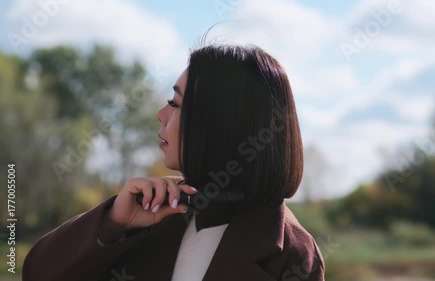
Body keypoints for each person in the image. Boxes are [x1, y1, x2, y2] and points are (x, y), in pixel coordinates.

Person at [22, 44, 325, 281]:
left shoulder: (295, 255)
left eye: (176, 104)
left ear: (222, 123)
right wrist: (111, 223)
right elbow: (37, 274)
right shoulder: (148, 213)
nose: (160, 114)